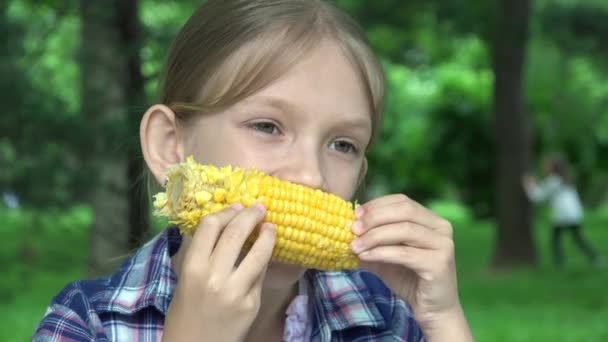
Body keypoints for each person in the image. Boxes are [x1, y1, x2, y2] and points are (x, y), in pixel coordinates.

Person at [33, 1, 473, 341]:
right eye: (268, 126)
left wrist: (444, 320)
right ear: (170, 146)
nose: (311, 177)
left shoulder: (385, 317)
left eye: (343, 145)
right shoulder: (85, 323)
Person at [523, 154, 602, 269]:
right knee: (577, 239)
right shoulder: (566, 179)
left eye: (547, 165)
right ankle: (595, 258)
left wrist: (528, 184)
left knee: (556, 240)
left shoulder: (553, 181)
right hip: (574, 214)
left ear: (553, 167)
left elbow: (537, 197)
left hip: (563, 216)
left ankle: (560, 264)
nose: (544, 167)